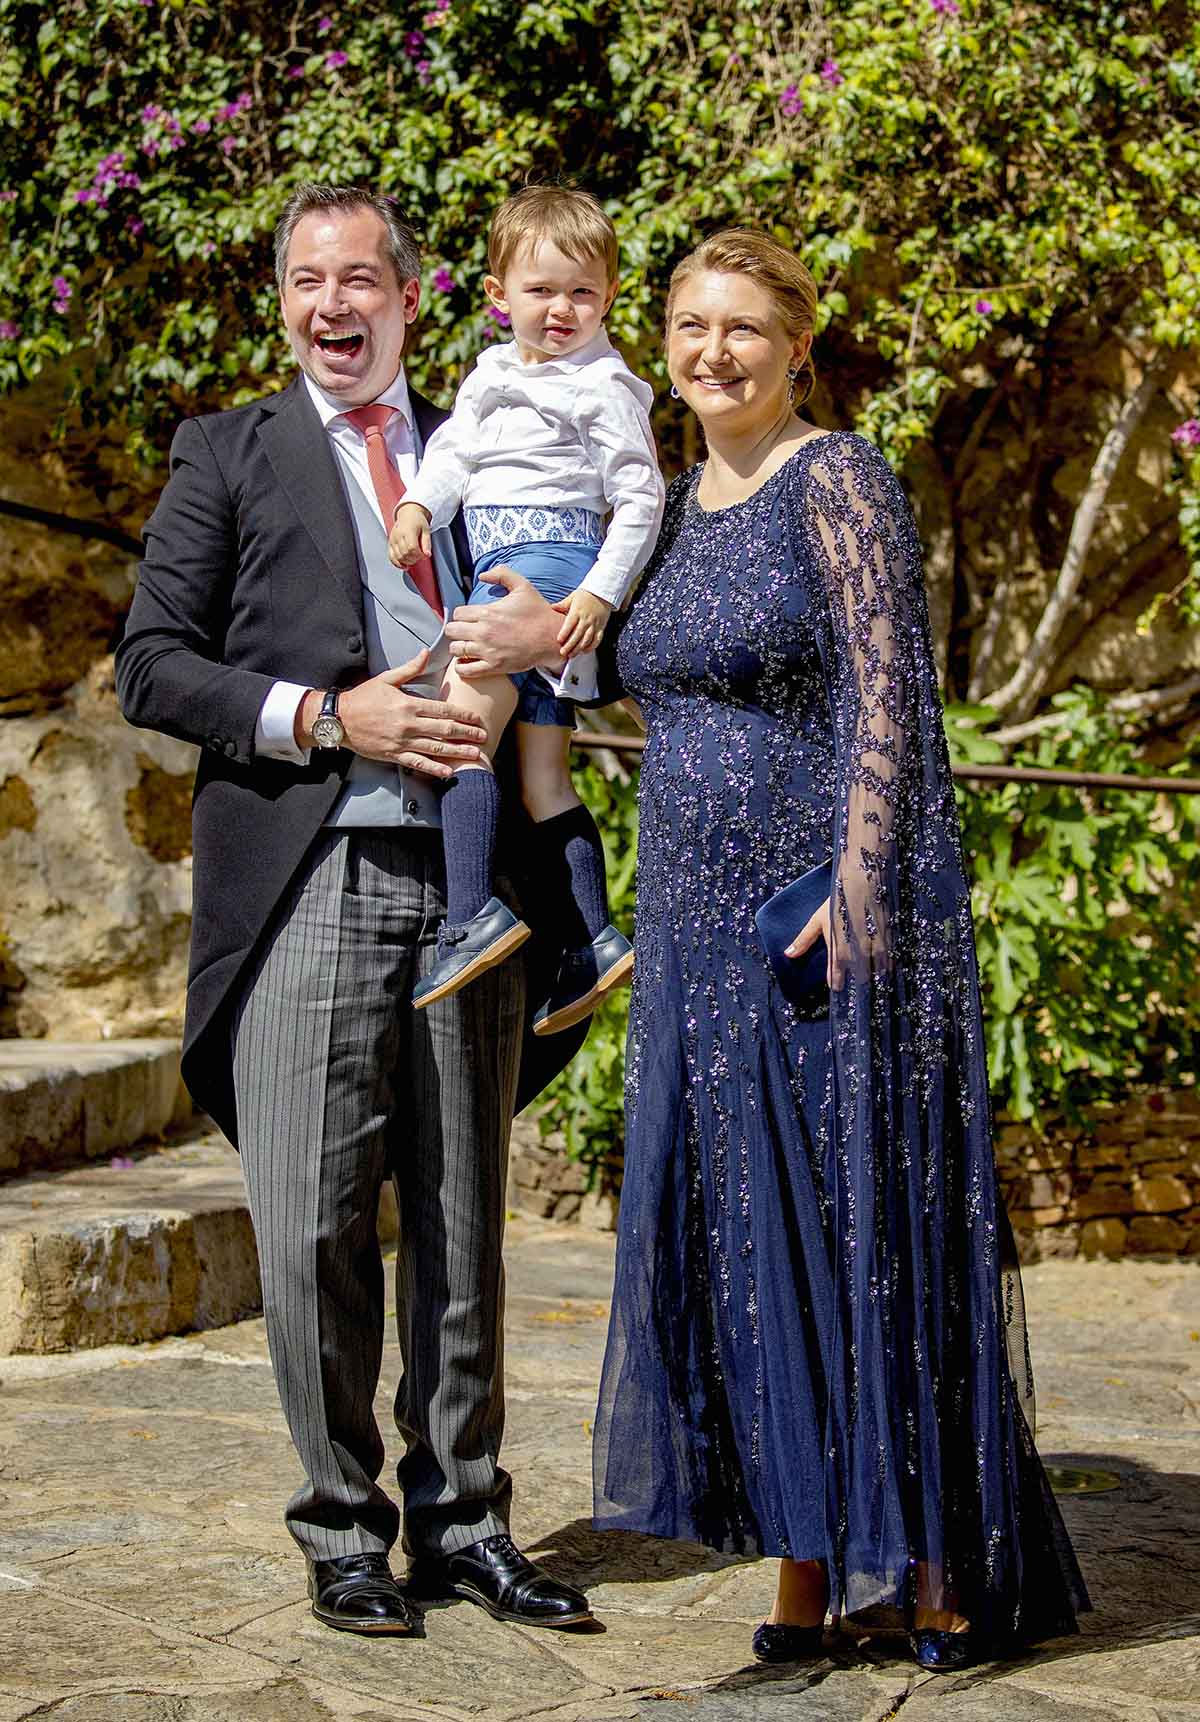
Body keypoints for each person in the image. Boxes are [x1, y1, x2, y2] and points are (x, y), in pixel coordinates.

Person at [584, 230, 1092, 1670]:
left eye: (743, 326)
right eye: (687, 324)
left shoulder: (841, 478)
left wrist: (859, 888)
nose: (712, 352)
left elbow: (889, 696)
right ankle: (807, 1560)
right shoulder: (662, 509)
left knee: (866, 1233)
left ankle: (925, 1560)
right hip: (690, 928)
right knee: (751, 1250)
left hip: (817, 922)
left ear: (799, 342)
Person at [115, 182, 593, 1638]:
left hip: (474, 891)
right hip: (309, 873)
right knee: (316, 1219)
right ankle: (341, 1525)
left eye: (361, 279)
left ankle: (465, 1521)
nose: (335, 304)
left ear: (409, 294)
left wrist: (539, 641)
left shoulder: (487, 441)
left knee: (464, 1220)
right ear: (285, 302)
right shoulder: (228, 453)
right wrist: (332, 715)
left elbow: (576, 605)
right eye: (308, 281)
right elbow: (154, 664)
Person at [390, 185, 664, 1033]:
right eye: (541, 291)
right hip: (526, 567)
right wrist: (418, 508)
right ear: (498, 295)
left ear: (609, 297)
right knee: (544, 775)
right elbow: (453, 456)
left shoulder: (604, 385)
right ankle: (594, 937)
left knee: (460, 732)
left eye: (582, 292)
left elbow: (641, 497)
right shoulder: (491, 375)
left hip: (536, 566)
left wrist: (594, 594)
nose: (561, 309)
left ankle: (469, 915)